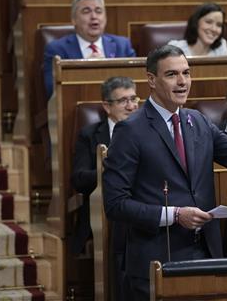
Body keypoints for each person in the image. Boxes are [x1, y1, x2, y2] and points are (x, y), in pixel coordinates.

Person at [102, 44, 227, 299]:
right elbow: (115, 204)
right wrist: (175, 215)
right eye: (172, 74)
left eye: (186, 73)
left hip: (206, 256)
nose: (182, 82)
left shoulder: (196, 121)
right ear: (151, 80)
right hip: (156, 261)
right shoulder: (130, 130)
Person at [71, 76, 139, 300]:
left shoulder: (147, 130)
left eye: (134, 99)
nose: (131, 106)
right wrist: (109, 170)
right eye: (123, 101)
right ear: (106, 106)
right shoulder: (90, 135)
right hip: (103, 210)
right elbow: (79, 179)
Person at [43, 0, 136, 100]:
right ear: (74, 20)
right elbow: (52, 90)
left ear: (105, 17)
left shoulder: (122, 45)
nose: (94, 16)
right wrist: (88, 72)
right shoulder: (57, 50)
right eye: (86, 11)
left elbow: (134, 85)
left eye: (98, 11)